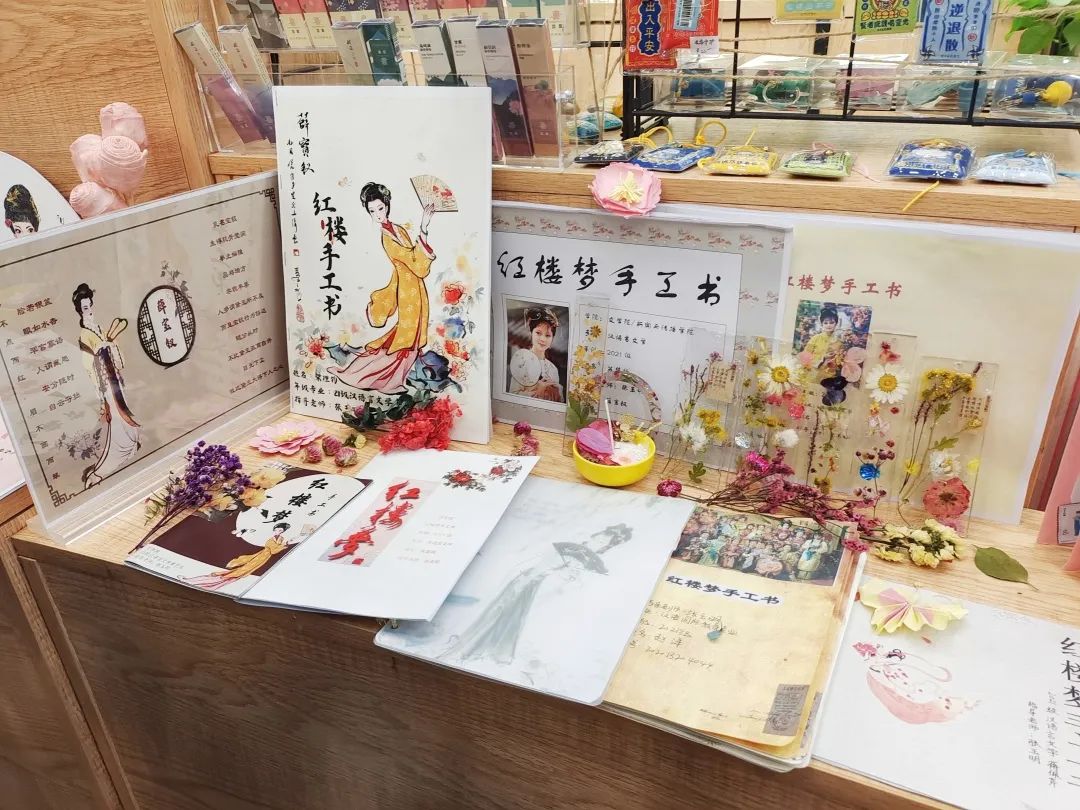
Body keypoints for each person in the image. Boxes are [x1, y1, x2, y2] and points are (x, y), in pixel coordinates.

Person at [440, 523, 632, 665]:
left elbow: (568, 585)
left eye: (603, 544)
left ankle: (490, 649)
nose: (598, 543)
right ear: (594, 536)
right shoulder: (565, 548)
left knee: (513, 619)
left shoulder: (585, 563)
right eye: (599, 538)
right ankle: (468, 646)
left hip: (538, 588)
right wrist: (542, 573)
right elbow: (539, 563)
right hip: (528, 579)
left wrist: (568, 576)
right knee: (498, 611)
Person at [329, 182, 436, 394]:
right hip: (407, 292)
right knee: (406, 337)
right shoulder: (387, 238)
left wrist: (423, 229)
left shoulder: (398, 229)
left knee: (412, 336)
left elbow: (415, 260)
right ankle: (387, 381)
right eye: (372, 211)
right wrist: (424, 227)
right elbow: (413, 260)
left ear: (387, 206)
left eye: (380, 208)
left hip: (416, 287)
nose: (378, 214)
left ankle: (394, 379)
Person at [75, 284, 140, 486]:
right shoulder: (84, 334)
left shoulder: (99, 328)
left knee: (124, 409)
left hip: (115, 377)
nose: (89, 310)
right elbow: (88, 364)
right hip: (104, 381)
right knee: (116, 415)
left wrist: (110, 344)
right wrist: (100, 351)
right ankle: (115, 455)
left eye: (90, 305)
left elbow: (115, 350)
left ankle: (131, 444)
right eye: (85, 307)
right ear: (80, 310)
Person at [184, 523, 292, 590]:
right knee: (242, 569)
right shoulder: (270, 540)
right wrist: (285, 545)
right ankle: (199, 580)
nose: (279, 532)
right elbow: (273, 550)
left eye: (281, 531)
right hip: (260, 556)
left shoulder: (281, 539)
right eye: (278, 529)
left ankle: (214, 580)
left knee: (242, 572)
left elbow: (275, 550)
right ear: (274, 529)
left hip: (264, 558)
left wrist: (284, 544)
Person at [508, 307, 563, 401]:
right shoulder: (522, 362)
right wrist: (538, 392)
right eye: (538, 333)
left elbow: (557, 401)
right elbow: (513, 396)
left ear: (552, 339)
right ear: (531, 333)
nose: (543, 339)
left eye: (548, 335)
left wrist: (558, 392)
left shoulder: (553, 369)